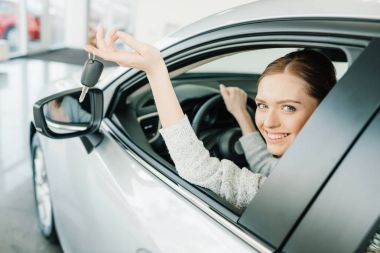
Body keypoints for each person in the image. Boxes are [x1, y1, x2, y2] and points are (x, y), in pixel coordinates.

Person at [85, 25, 336, 209]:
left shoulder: (303, 190)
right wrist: (242, 114)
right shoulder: (328, 161)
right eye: (261, 105)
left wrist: (155, 69)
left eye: (288, 108)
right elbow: (268, 167)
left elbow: (200, 171)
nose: (269, 122)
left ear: (325, 109)